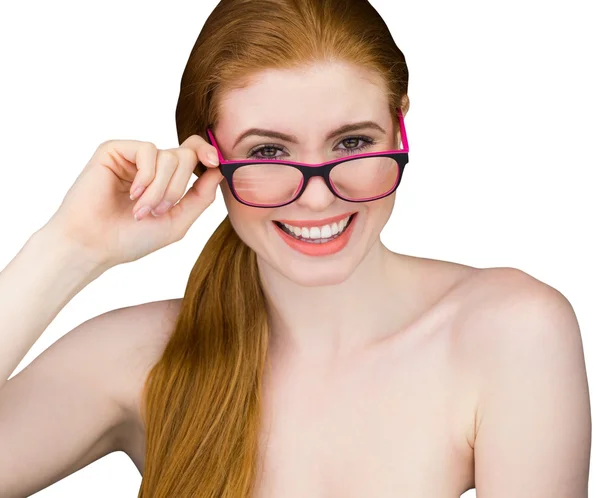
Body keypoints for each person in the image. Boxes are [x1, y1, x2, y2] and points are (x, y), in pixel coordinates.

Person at [0, 0, 591, 496]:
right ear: (207, 158)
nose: (315, 199)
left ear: (401, 127)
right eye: (267, 153)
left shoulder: (511, 332)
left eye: (353, 141)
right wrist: (72, 247)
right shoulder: (139, 355)